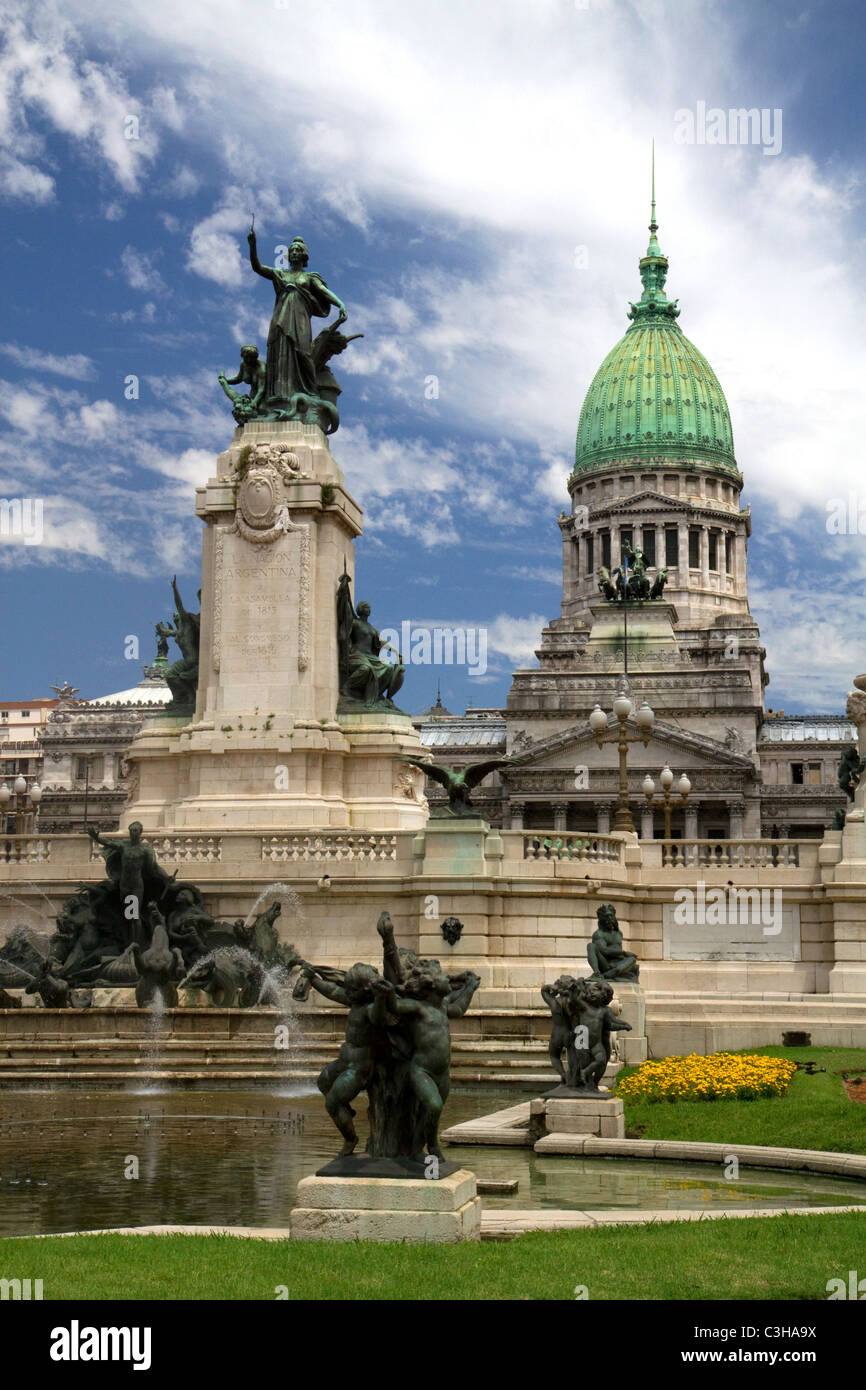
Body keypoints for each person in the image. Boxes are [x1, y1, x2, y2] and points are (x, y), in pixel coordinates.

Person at [247, 231, 347, 408]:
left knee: (302, 352)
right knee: (280, 353)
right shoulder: (280, 274)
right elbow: (258, 267)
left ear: (304, 255)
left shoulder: (308, 277)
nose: (293, 253)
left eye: (297, 250)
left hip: (300, 320)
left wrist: (340, 303)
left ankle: (309, 391)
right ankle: (278, 396)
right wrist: (253, 245)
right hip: (281, 318)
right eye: (291, 250)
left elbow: (323, 292)